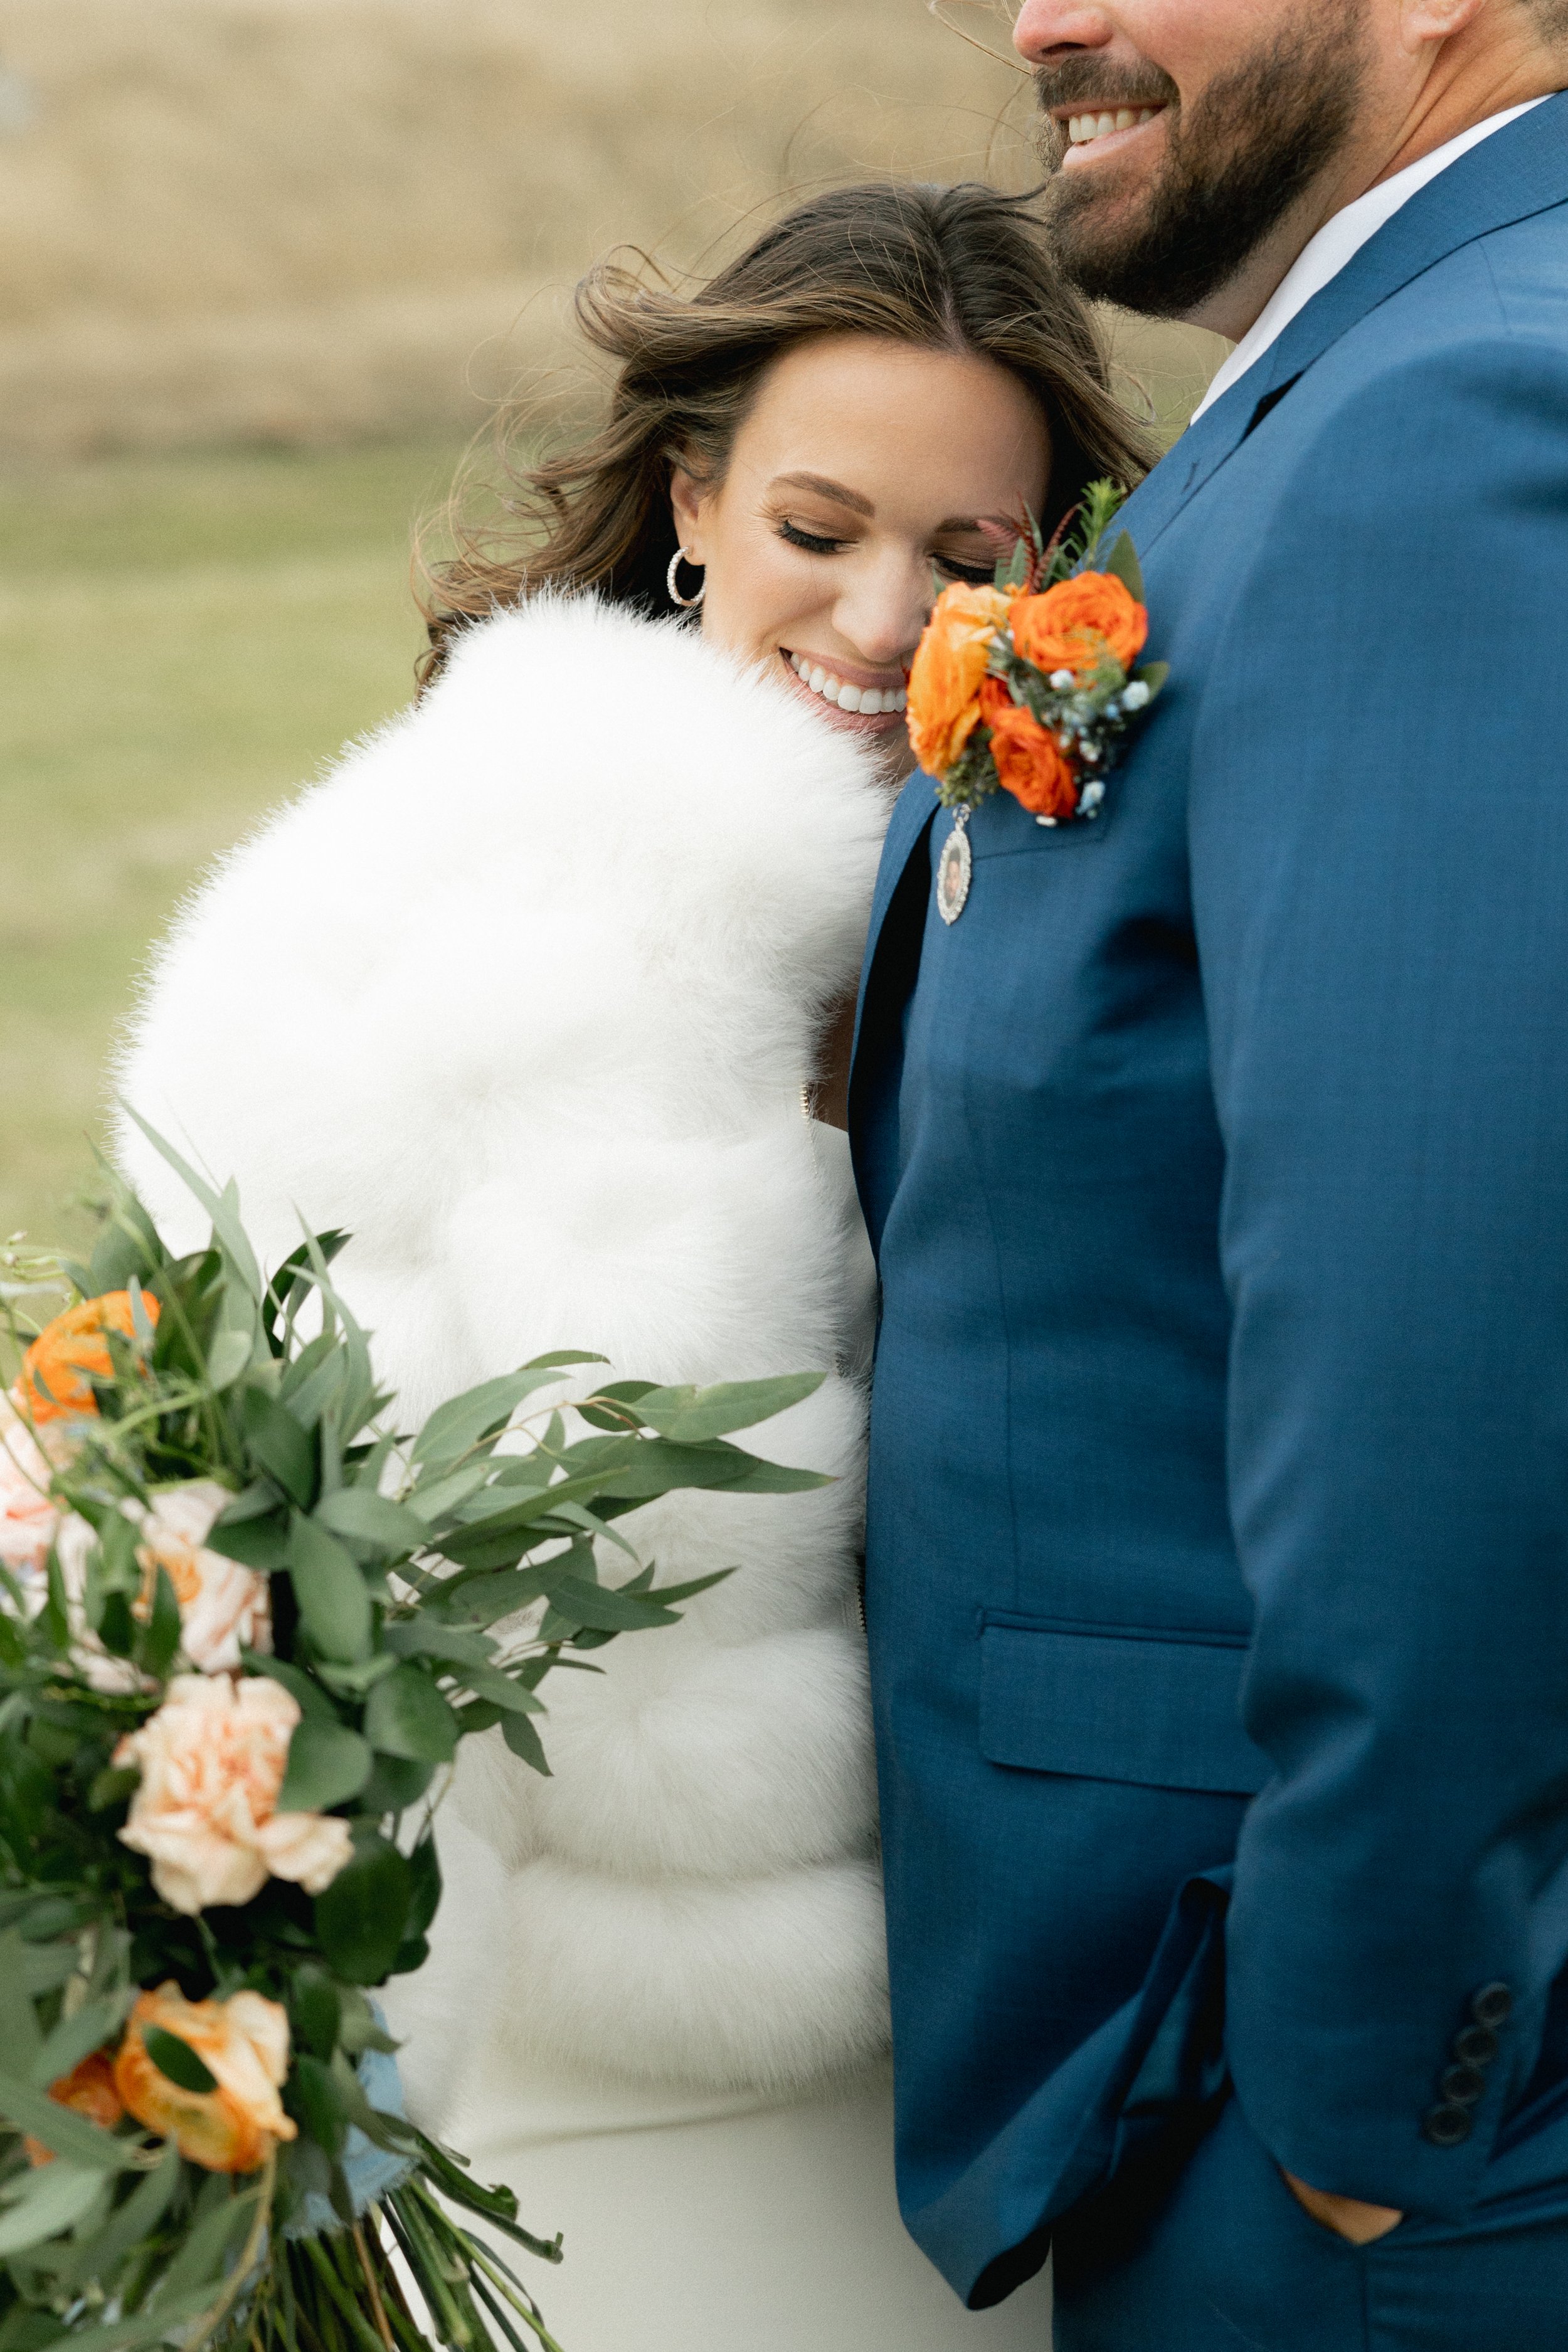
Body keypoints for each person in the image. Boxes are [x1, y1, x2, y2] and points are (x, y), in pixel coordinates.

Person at [114, 182, 1144, 2350]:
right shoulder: (475, 915)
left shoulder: (1032, 900)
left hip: (980, 2034)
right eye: (815, 528)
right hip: (612, 2059)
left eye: (966, 556)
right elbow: (320, 1542)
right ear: (689, 503)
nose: (880, 616)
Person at [851, 2, 1568, 2346]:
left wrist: (1372, 2090)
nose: (1041, 19)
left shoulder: (1446, 421)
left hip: (1356, 2140)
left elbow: (1440, 1328)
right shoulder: (1404, 360)